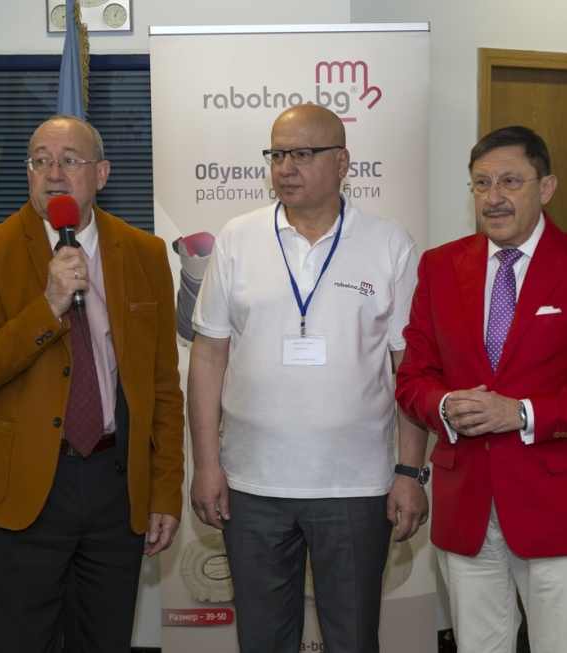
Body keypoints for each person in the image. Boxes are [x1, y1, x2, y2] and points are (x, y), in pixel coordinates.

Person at [187, 104, 428, 652]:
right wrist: (205, 465)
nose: (285, 168)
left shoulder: (390, 243)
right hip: (251, 485)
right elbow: (207, 357)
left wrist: (410, 471)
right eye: (276, 154)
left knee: (353, 639)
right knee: (263, 640)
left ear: (342, 162)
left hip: (357, 486)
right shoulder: (238, 237)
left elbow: (409, 367)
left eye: (301, 154)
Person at [395, 126, 567, 653]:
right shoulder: (439, 267)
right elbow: (413, 377)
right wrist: (445, 404)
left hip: (558, 509)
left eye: (510, 181)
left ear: (546, 187)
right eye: (481, 183)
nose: (494, 197)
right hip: (466, 506)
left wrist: (522, 413)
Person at [0, 115, 185, 653]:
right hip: (27, 484)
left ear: (101, 174)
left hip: (115, 483)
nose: (54, 172)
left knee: (104, 640)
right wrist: (48, 305)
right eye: (41, 160)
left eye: (70, 160)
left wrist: (165, 491)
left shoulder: (145, 252)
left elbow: (162, 389)